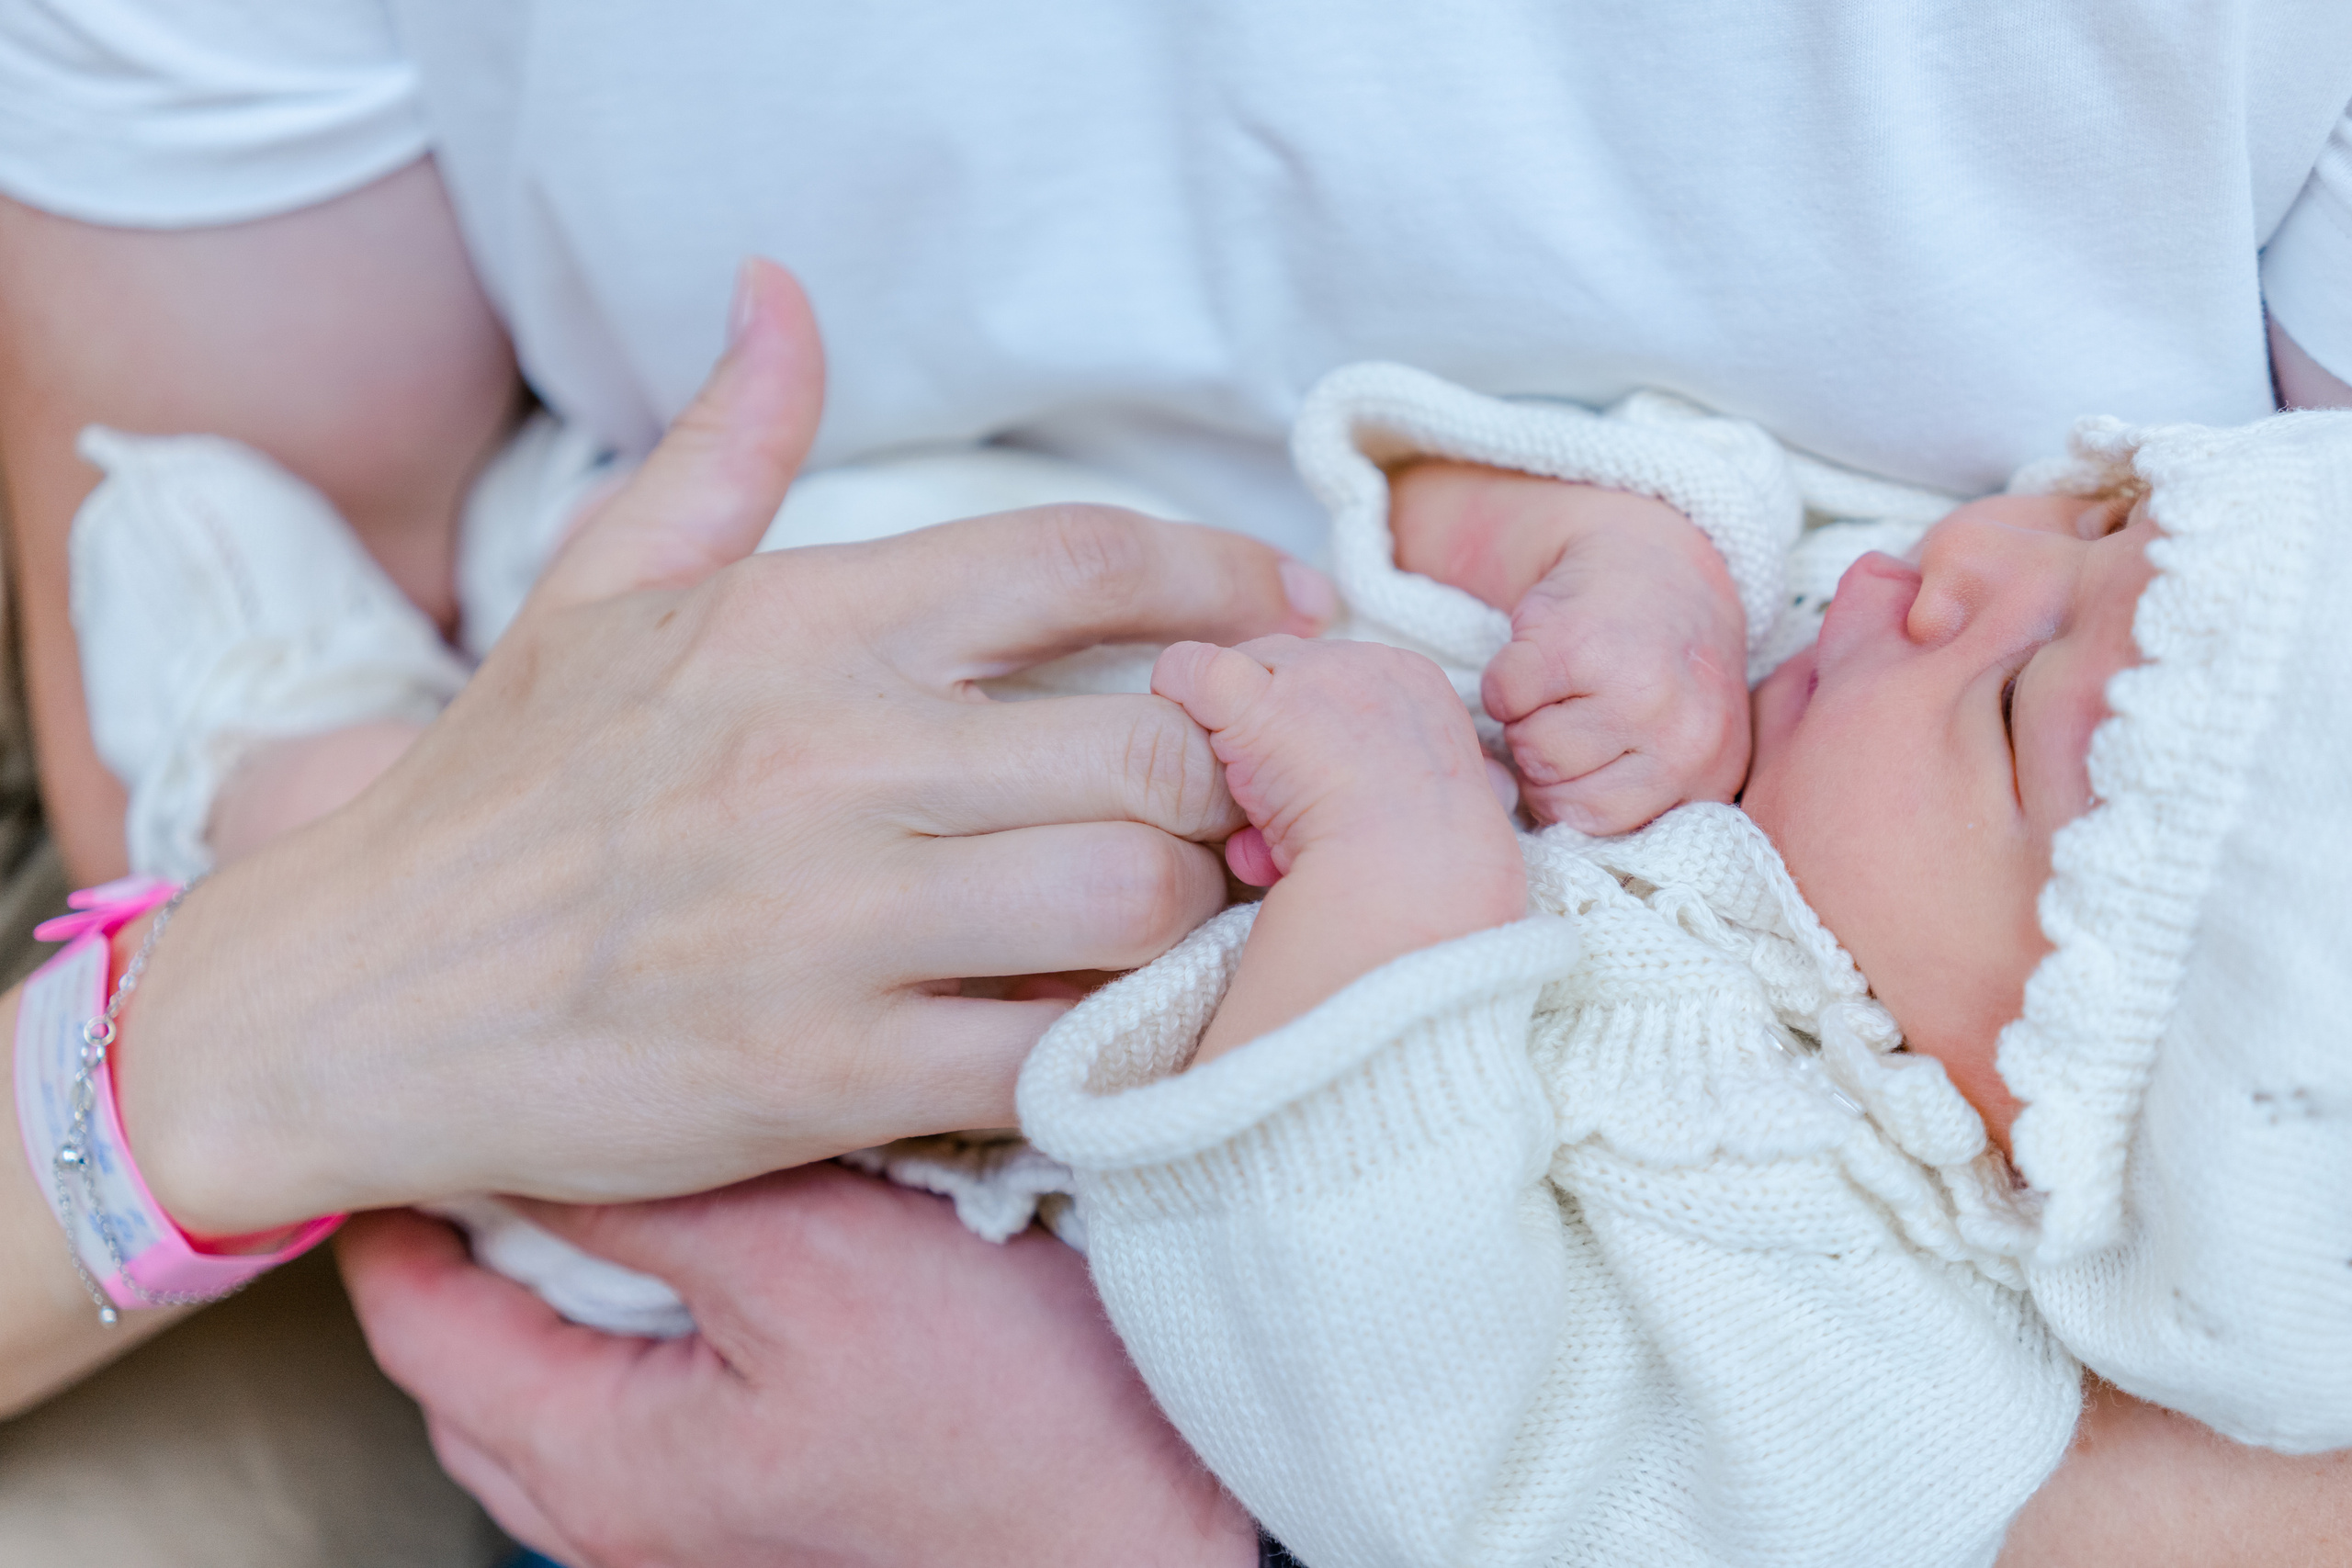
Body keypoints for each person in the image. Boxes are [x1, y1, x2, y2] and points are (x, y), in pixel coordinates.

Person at [6, 2, 2352, 1562]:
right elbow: (1553, 489)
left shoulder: (1814, 1260)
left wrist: (1399, 860)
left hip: (933, 1218)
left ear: (2049, 1114)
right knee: (342, 775)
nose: (1962, 571)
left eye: (2018, 721)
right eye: (2095, 514)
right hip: (648, 772)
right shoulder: (1838, 688)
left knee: (331, 833)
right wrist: (1618, 553)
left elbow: (1440, 1356)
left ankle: (279, 749)